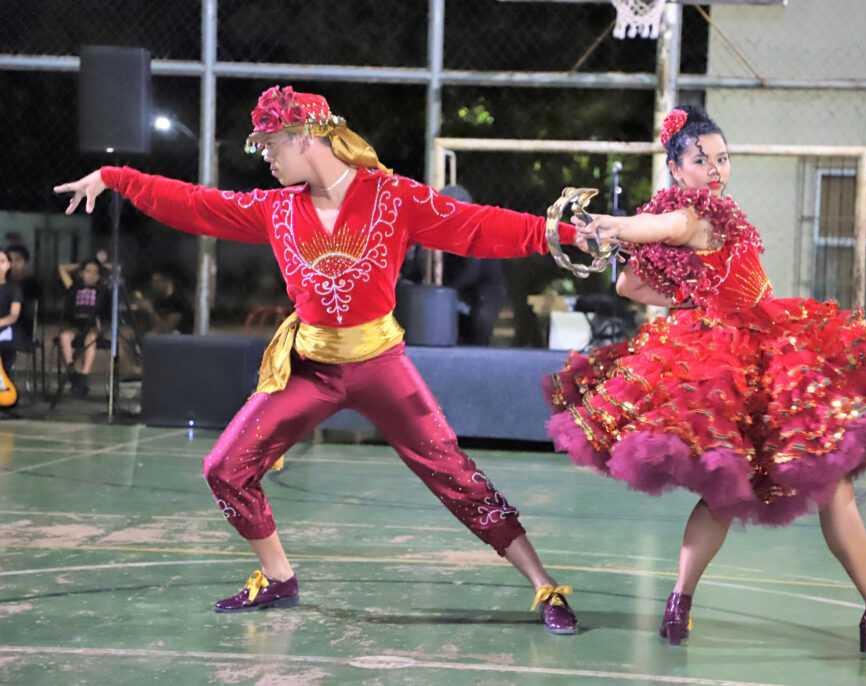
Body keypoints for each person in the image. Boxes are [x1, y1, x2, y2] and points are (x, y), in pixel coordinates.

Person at [54, 85, 580, 634]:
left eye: (271, 145)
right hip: (309, 367)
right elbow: (196, 205)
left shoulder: (393, 198)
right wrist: (117, 178)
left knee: (453, 472)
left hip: (380, 365)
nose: (266, 157)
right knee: (225, 469)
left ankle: (544, 584)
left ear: (306, 137)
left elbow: (478, 226)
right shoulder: (276, 210)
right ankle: (277, 577)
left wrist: (563, 234)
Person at [546, 106, 866, 657]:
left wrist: (687, 292)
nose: (715, 170)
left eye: (723, 158)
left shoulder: (699, 214)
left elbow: (629, 285)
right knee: (831, 483)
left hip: (745, 355)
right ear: (676, 169)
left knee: (728, 491)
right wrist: (614, 225)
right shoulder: (691, 214)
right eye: (702, 160)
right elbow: (662, 231)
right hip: (758, 356)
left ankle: (678, 606)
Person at [439, 184, 509, 346]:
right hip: (457, 288)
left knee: (481, 323)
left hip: (485, 290)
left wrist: (444, 291)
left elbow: (471, 272)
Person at [58, 259, 109, 397]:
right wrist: (81, 265)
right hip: (76, 324)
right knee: (64, 336)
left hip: (93, 325)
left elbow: (117, 269)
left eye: (95, 273)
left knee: (90, 338)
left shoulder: (102, 291)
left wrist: (103, 266)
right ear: (81, 273)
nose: (92, 275)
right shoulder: (74, 287)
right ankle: (72, 370)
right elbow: (62, 268)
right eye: (88, 271)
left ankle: (84, 375)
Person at [133, 269, 194, 335]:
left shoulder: (178, 301)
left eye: (157, 281)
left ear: (167, 281)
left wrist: (150, 310)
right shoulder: (159, 301)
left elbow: (167, 330)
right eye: (152, 282)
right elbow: (154, 326)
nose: (154, 285)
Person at [0, 250, 23, 376]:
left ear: (9, 265)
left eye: (2, 261)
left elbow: (13, 316)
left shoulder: (13, 288)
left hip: (5, 330)